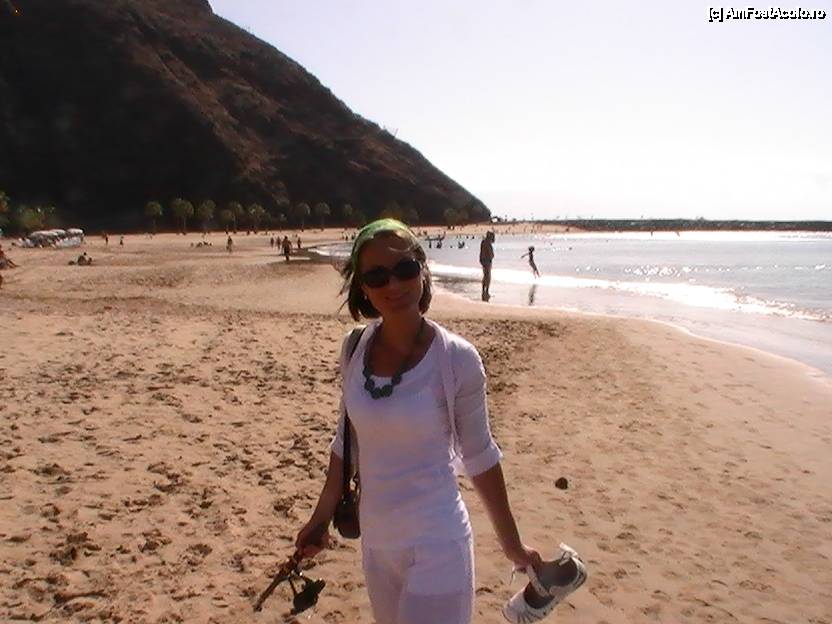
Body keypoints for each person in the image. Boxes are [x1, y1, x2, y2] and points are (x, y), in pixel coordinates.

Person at [294, 219, 547, 624]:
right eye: (377, 276)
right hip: (377, 545)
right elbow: (346, 444)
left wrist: (513, 547)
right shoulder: (354, 348)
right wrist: (319, 519)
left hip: (438, 544)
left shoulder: (457, 358)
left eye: (405, 268)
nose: (393, 284)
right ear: (362, 287)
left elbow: (481, 456)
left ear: (423, 270)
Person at [479, 231, 495, 301]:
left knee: (485, 276)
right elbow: (491, 254)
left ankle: (483, 291)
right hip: (487, 261)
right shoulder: (488, 243)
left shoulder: (483, 242)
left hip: (483, 261)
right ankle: (487, 291)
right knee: (488, 277)